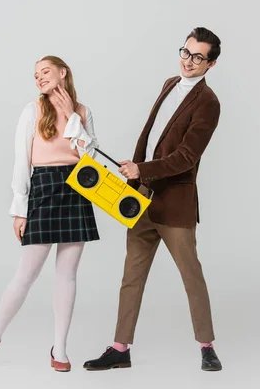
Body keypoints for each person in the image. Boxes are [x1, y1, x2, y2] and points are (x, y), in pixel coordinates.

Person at [83, 27, 223, 372]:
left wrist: (141, 170)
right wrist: (133, 179)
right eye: (186, 52)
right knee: (131, 275)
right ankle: (120, 348)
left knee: (191, 275)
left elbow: (187, 156)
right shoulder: (169, 84)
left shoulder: (209, 103)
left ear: (211, 63)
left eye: (198, 57)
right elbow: (149, 138)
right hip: (141, 201)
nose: (188, 61)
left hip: (174, 205)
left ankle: (207, 346)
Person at [0, 55, 100, 372]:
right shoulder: (32, 110)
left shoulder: (83, 111)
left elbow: (89, 158)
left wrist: (70, 116)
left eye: (45, 71)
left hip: (77, 189)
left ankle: (61, 349)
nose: (39, 78)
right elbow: (21, 161)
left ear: (63, 73)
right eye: (35, 74)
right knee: (25, 275)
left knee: (67, 275)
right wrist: (19, 209)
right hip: (43, 189)